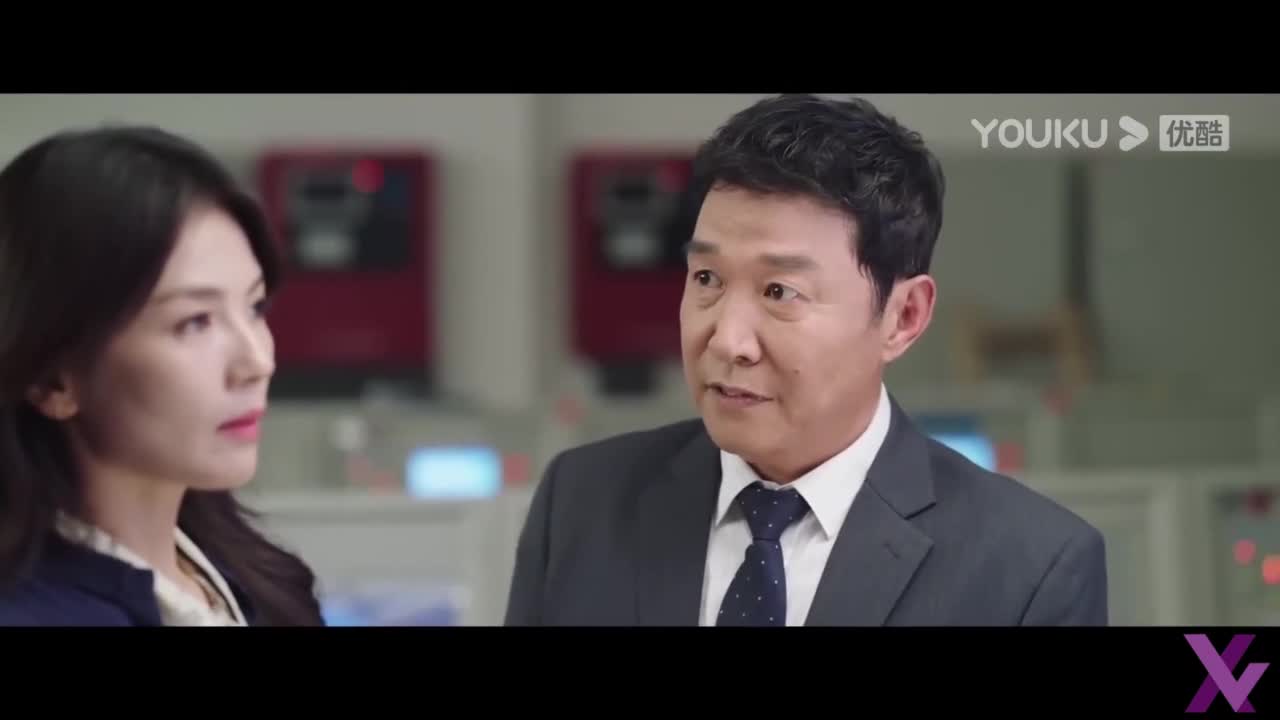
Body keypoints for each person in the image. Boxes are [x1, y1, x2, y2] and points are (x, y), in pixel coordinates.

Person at [504, 94, 1108, 626]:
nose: (727, 341)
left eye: (779, 292)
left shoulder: (1029, 569)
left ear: (903, 317)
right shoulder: (581, 505)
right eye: (707, 278)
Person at [0, 125, 325, 626]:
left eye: (255, 307)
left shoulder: (253, 573)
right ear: (52, 380)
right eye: (195, 322)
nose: (257, 362)